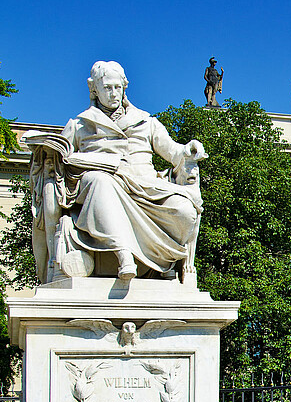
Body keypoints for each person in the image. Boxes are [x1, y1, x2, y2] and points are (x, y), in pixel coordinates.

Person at [29, 60, 206, 283]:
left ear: (124, 87)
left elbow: (174, 152)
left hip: (144, 185)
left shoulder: (146, 121)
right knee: (100, 182)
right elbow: (61, 157)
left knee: (184, 210)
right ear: (94, 89)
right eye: (107, 88)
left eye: (117, 87)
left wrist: (189, 149)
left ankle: (163, 265)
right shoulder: (80, 124)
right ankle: (124, 255)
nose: (114, 93)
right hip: (97, 181)